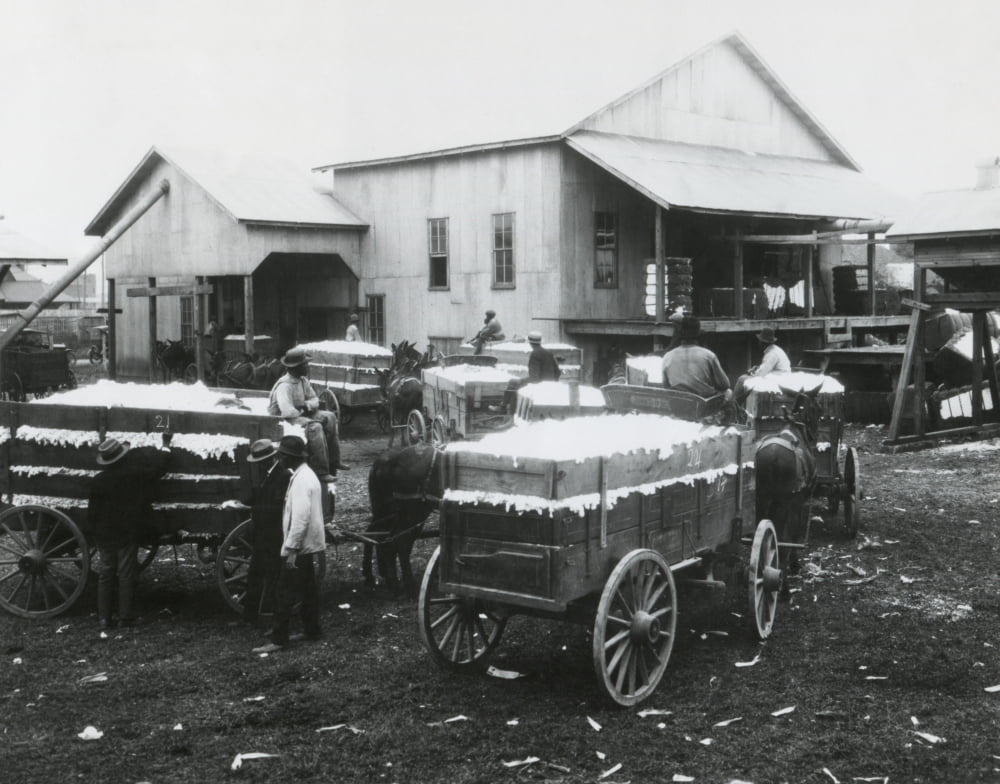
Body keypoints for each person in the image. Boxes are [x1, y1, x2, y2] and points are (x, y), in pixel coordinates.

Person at [88, 432, 174, 630]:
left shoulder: (98, 480)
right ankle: (124, 617)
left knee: (106, 573)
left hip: (105, 535)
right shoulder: (133, 475)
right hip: (126, 533)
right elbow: (159, 468)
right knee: (126, 573)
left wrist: (96, 532)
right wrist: (166, 445)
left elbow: (92, 512)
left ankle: (104, 618)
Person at [253, 435, 325, 653]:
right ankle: (312, 630)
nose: (280, 459)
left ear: (289, 457)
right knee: (308, 590)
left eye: (282, 455)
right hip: (307, 544)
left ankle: (279, 639)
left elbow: (301, 518)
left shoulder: (302, 480)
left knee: (283, 591)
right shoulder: (304, 474)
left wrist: (292, 548)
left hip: (299, 545)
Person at [268, 347, 349, 480]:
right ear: (295, 367)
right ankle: (321, 471)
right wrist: (304, 412)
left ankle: (334, 460)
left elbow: (315, 399)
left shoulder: (302, 380)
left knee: (330, 417)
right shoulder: (284, 385)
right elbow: (287, 412)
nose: (307, 367)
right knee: (314, 427)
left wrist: (306, 406)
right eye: (304, 364)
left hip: (299, 414)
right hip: (283, 420)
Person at [241, 438, 291, 626]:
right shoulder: (268, 474)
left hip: (275, 535)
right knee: (255, 574)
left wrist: (252, 510)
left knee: (273, 577)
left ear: (269, 459)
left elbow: (277, 508)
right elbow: (260, 496)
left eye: (261, 462)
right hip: (264, 534)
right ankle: (249, 615)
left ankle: (272, 618)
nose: (259, 466)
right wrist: (243, 502)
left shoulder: (283, 475)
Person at [660, 315, 731, 398]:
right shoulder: (709, 355)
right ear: (698, 335)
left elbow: (665, 386)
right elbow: (725, 385)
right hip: (703, 402)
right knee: (728, 392)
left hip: (678, 402)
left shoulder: (668, 356)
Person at [734, 326, 792, 403]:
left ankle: (733, 404)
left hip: (779, 382)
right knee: (747, 380)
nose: (758, 343)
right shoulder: (775, 349)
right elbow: (767, 368)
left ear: (762, 343)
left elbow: (760, 375)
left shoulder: (771, 354)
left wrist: (751, 372)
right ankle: (738, 404)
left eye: (759, 341)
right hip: (780, 378)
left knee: (742, 379)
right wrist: (757, 368)